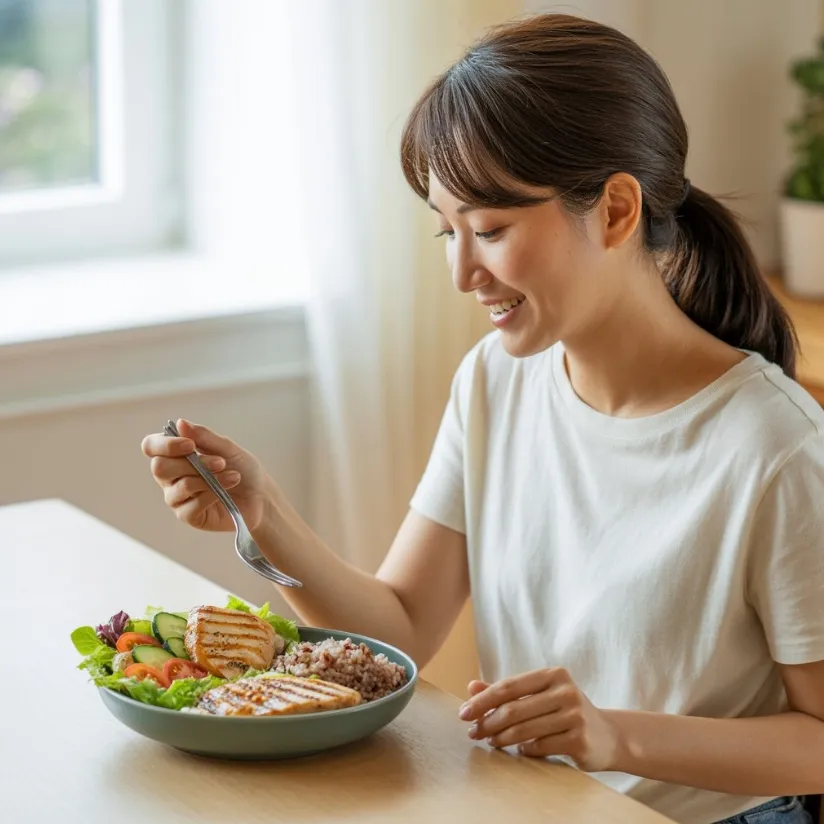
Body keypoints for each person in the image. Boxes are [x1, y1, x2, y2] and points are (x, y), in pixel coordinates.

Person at [141, 14, 824, 824]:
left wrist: (614, 737)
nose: (463, 271)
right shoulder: (496, 381)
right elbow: (400, 627)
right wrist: (263, 514)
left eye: (491, 229)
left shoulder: (773, 446)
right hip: (530, 804)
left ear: (613, 211)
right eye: (446, 230)